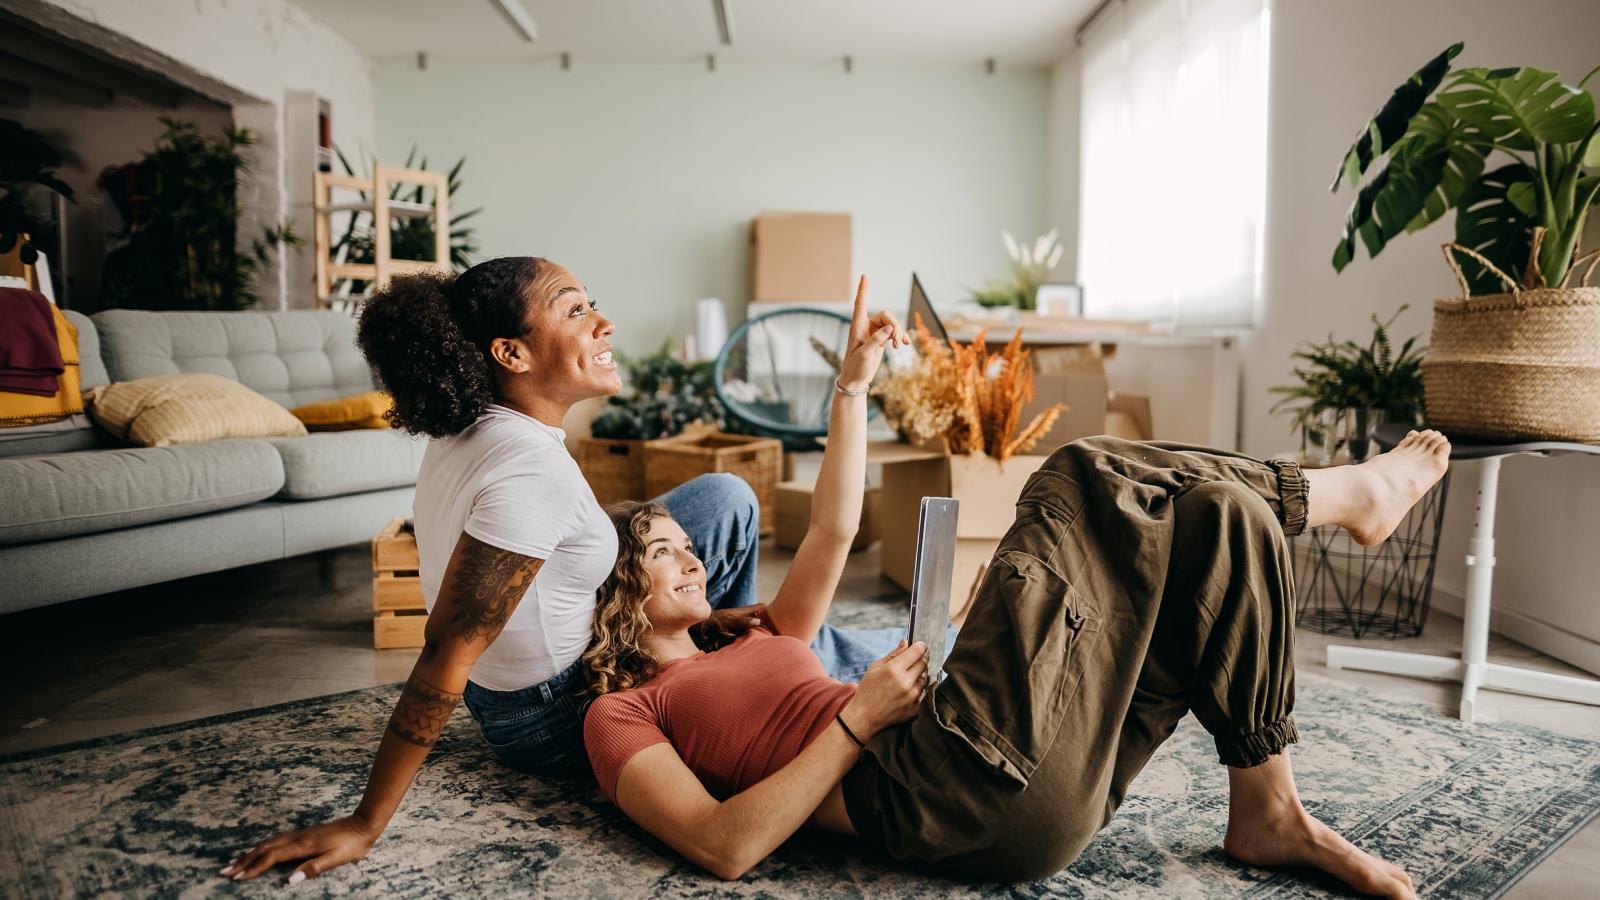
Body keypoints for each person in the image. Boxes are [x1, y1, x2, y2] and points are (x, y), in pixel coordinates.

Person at [581, 277, 1448, 898]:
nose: (695, 559)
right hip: (943, 792)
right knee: (1075, 470)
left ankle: (1269, 810)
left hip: (1016, 766)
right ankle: (1338, 496)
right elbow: (722, 847)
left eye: (688, 546)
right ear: (618, 589)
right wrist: (857, 716)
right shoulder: (620, 715)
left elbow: (835, 529)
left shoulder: (755, 630)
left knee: (1222, 519)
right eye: (664, 551)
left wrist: (853, 386)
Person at [220, 258, 910, 885]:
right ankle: (758, 680)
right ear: (510, 352)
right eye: (574, 310)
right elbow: (446, 653)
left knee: (724, 502)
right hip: (548, 711)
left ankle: (730, 661)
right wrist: (365, 821)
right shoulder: (530, 472)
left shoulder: (475, 420)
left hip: (544, 663)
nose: (603, 322)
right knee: (794, 641)